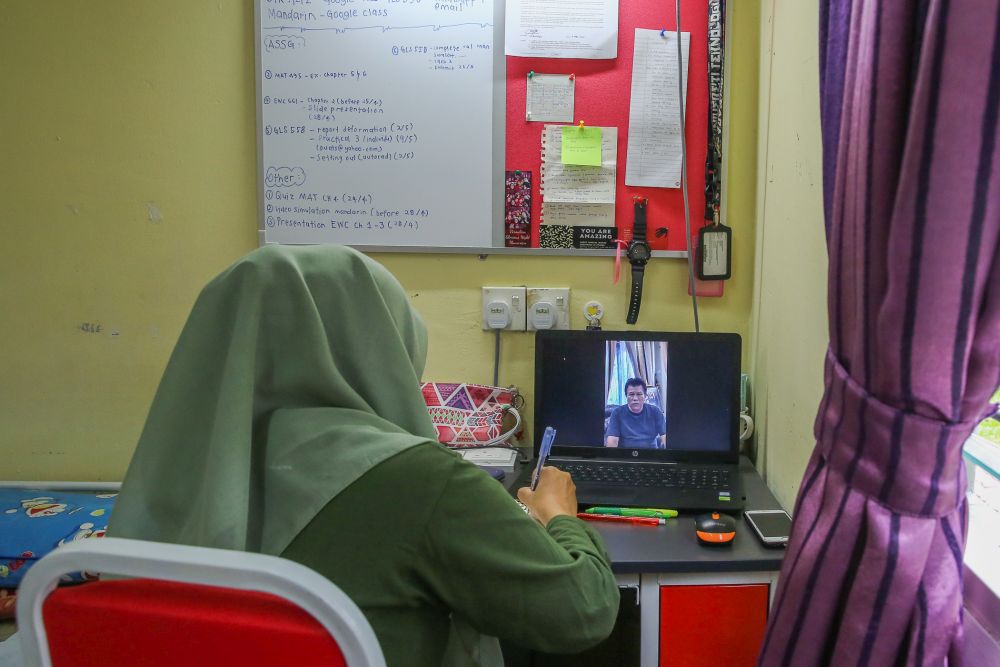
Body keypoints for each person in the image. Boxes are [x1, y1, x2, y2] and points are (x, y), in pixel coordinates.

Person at [109, 245, 619, 667]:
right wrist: (559, 517)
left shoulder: (184, 466)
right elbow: (582, 611)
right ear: (383, 346)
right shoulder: (419, 481)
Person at [604, 378, 666, 448]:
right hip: (625, 455)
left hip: (651, 455)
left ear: (645, 396)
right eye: (631, 394)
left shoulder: (655, 412)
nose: (635, 398)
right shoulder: (617, 413)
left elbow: (665, 437)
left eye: (639, 394)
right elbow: (612, 440)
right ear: (626, 396)